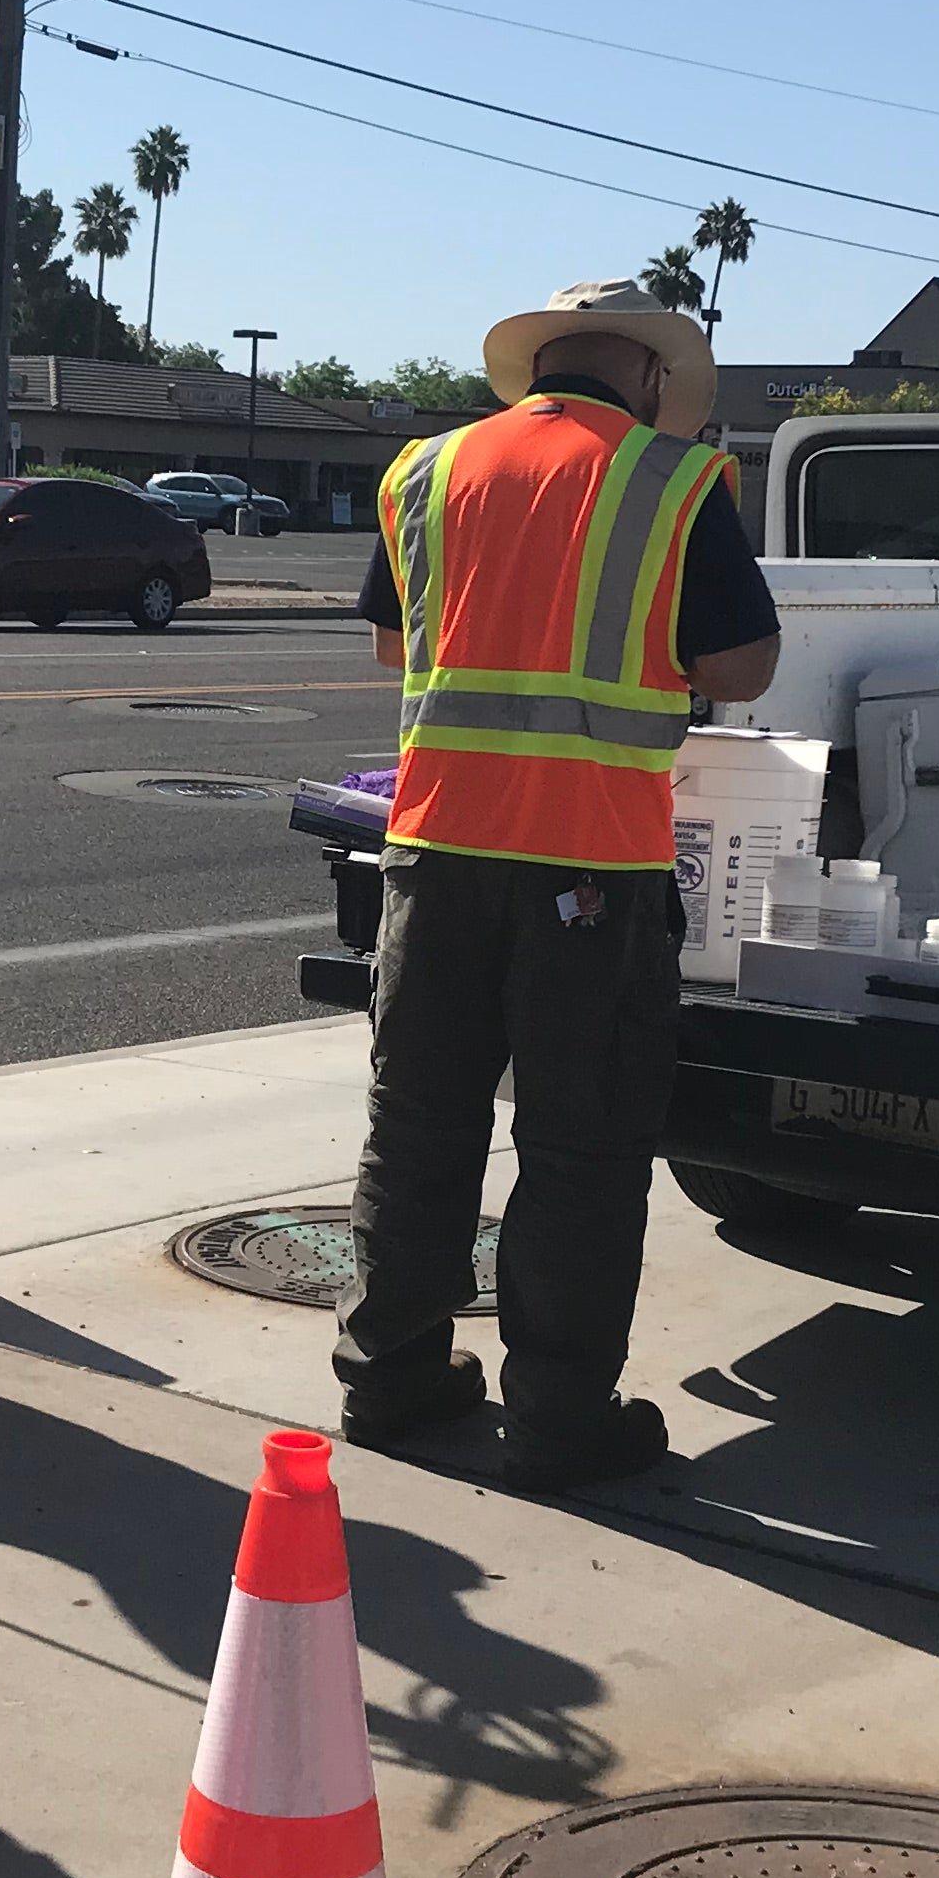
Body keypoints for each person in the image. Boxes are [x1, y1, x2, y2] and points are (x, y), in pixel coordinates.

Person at [335, 279, 781, 1490]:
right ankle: (557, 1417)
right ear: (645, 375)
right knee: (580, 1146)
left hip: (433, 852)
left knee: (419, 1125)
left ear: (540, 365)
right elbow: (741, 665)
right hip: (591, 865)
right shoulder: (673, 480)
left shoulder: (428, 470)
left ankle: (392, 1380)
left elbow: (395, 639)